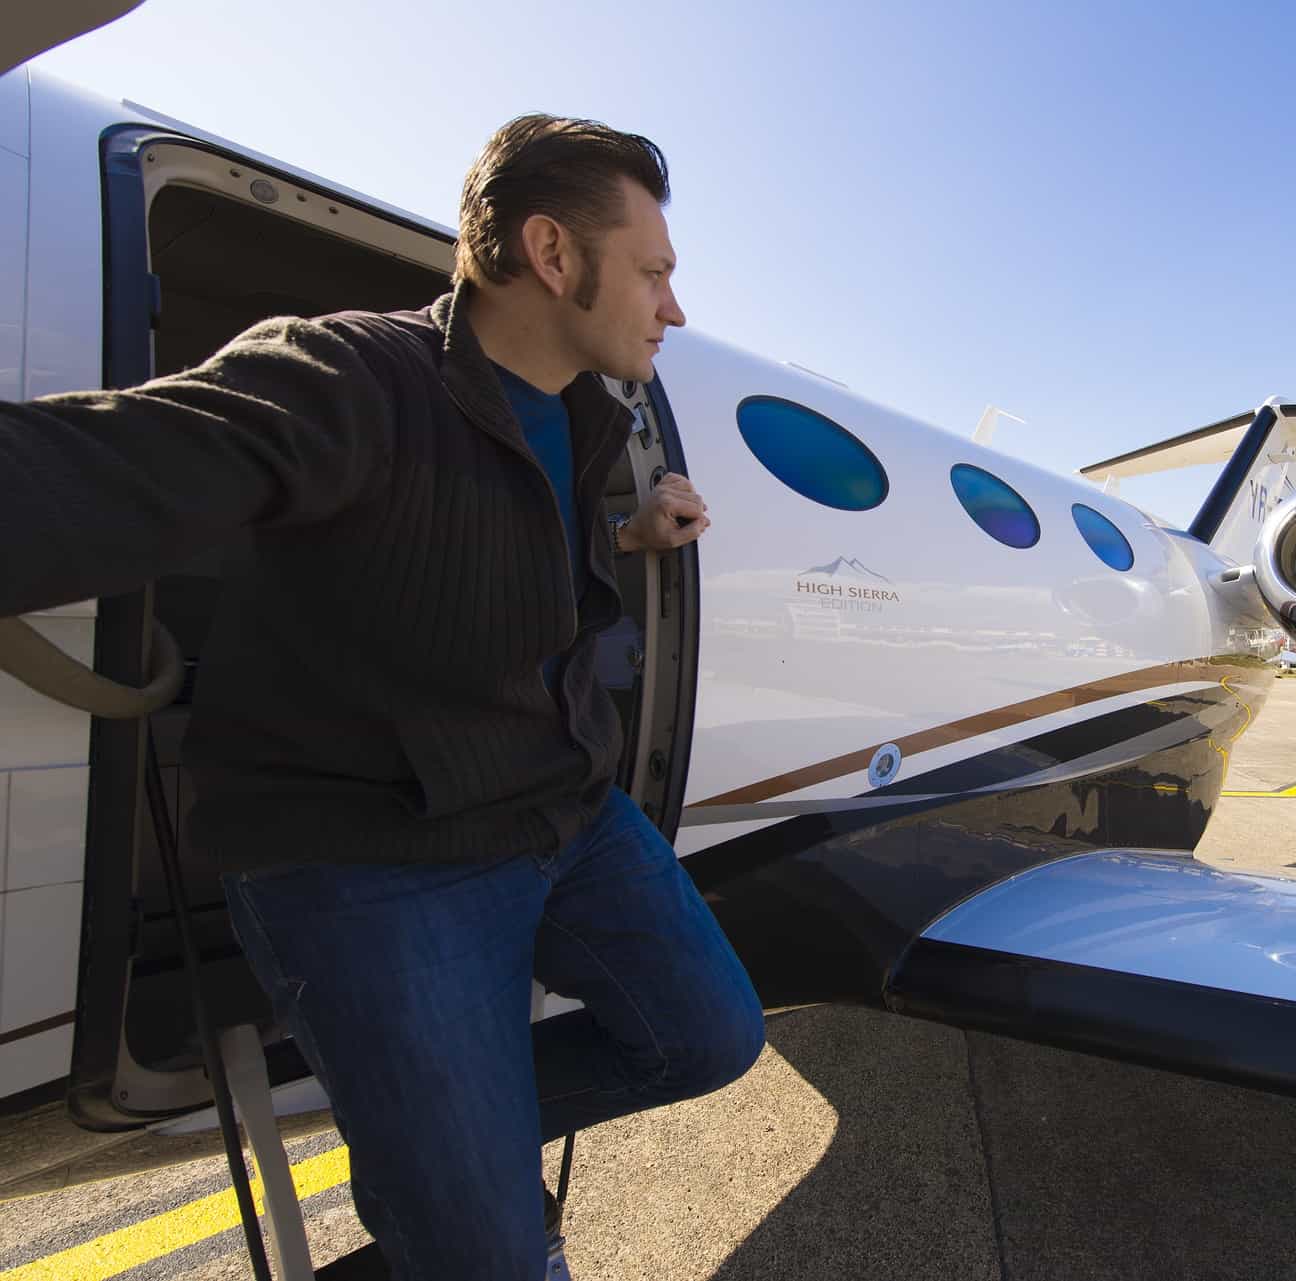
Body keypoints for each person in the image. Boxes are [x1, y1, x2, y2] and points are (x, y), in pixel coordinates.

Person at [0, 115, 765, 1279]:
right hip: (373, 856)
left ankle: (438, 1164)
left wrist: (630, 532)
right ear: (554, 255)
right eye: (655, 273)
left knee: (713, 1040)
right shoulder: (350, 373)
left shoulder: (584, 414)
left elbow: (489, 545)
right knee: (493, 1255)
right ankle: (452, 1198)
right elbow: (118, 466)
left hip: (561, 811)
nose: (674, 308)